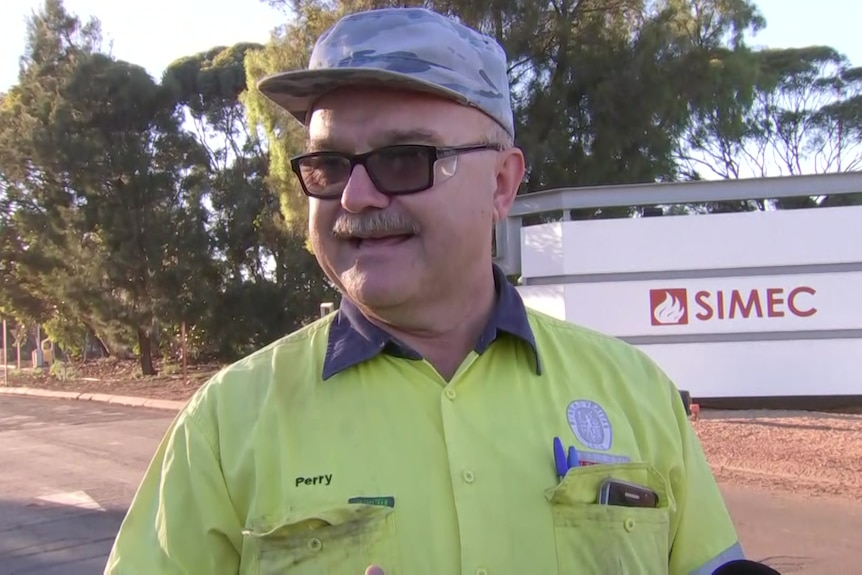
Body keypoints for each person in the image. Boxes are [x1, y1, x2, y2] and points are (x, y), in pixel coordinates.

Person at [104, 7, 766, 575]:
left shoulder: (636, 394)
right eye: (331, 165)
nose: (357, 196)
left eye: (404, 160)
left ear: (502, 185)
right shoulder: (226, 425)